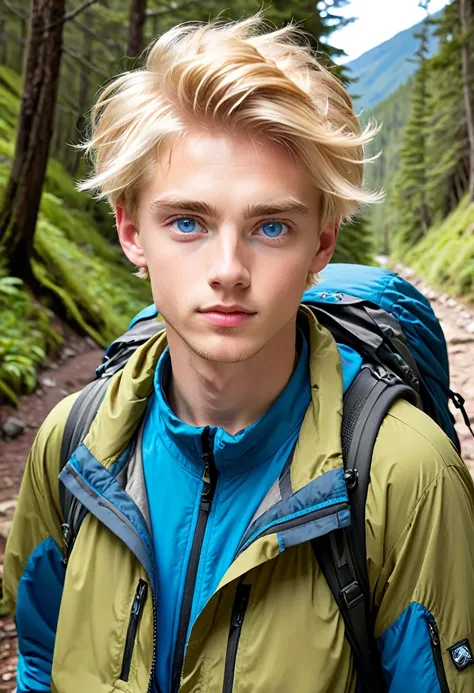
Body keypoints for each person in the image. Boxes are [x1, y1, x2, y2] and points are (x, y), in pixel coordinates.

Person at [4, 14, 474, 693]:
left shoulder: (407, 475)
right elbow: (41, 659)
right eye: (188, 221)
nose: (228, 268)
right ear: (132, 231)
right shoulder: (72, 445)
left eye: (271, 225)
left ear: (322, 244)